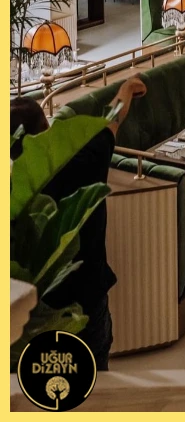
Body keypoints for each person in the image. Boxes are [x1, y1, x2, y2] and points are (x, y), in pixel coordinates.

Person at [10, 76, 147, 369]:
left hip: (28, 316)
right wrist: (127, 88)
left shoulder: (10, 191)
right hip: (84, 303)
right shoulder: (86, 158)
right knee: (95, 378)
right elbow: (112, 119)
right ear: (46, 131)